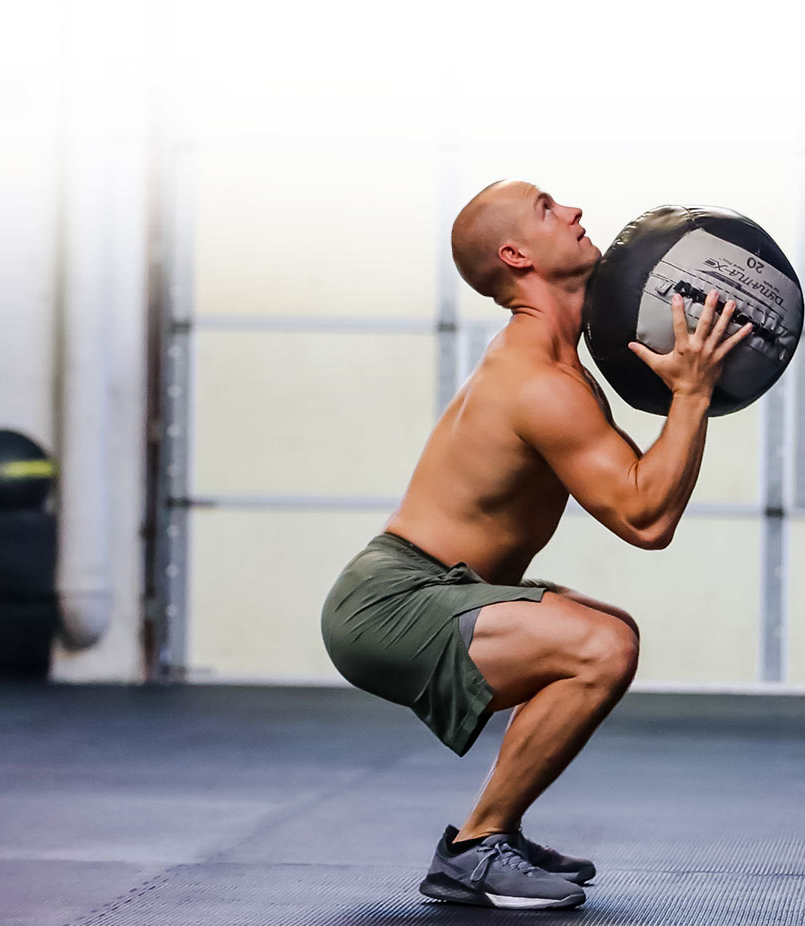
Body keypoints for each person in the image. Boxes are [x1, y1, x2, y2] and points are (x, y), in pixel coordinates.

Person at [320, 180, 752, 910]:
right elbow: (647, 519)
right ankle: (473, 851)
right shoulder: (541, 383)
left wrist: (687, 389)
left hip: (433, 586)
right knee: (600, 646)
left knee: (610, 631)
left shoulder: (552, 361)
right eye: (549, 208)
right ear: (516, 255)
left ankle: (496, 832)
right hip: (392, 602)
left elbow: (642, 497)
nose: (577, 211)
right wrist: (692, 396)